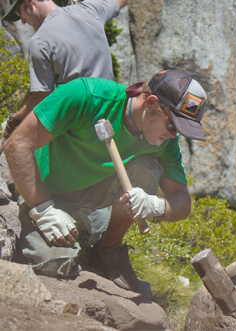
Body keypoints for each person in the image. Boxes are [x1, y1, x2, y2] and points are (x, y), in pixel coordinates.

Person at [4, 70, 208, 291]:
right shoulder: (85, 95)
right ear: (151, 102)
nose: (173, 135)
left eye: (179, 131)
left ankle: (108, 248)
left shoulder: (165, 139)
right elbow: (17, 145)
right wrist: (42, 210)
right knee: (55, 265)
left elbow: (182, 202)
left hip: (99, 196)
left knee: (146, 167)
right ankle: (68, 225)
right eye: (172, 126)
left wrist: (155, 205)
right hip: (50, 190)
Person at [1, 0, 130, 142]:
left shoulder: (40, 41)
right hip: (114, 111)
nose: (22, 20)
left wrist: (13, 121)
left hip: (82, 127)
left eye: (17, 11)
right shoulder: (89, 9)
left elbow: (41, 96)